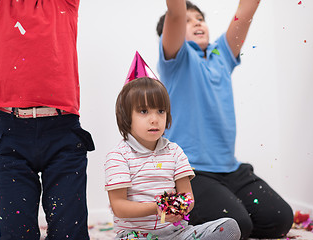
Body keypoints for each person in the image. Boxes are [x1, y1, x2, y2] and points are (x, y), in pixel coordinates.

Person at [156, 0, 293, 239]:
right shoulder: (176, 59)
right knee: (238, 224)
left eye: (199, 18)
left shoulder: (222, 54)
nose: (196, 22)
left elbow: (245, 10)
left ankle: (219, 209)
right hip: (190, 173)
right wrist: (179, 16)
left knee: (280, 218)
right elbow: (175, 13)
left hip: (231, 170)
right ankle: (181, 221)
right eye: (188, 21)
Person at [0, 0, 95, 239]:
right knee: (16, 234)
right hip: (11, 135)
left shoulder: (65, 3)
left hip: (63, 132)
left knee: (70, 234)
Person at [105, 68, 241, 239]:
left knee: (229, 227)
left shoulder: (174, 151)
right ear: (126, 117)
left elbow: (187, 196)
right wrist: (157, 207)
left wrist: (180, 207)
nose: (154, 119)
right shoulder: (118, 156)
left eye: (160, 111)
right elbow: (119, 207)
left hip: (176, 233)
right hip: (136, 235)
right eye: (144, 111)